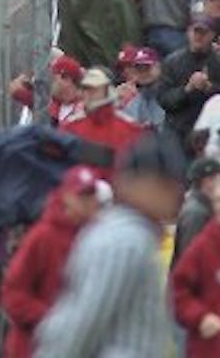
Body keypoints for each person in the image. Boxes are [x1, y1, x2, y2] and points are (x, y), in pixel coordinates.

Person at [33, 130, 187, 358]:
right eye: (165, 183)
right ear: (132, 182)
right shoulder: (124, 240)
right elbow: (82, 324)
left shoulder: (131, 233)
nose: (176, 193)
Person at [1, 166, 102, 358]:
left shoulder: (98, 239)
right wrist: (55, 320)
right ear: (66, 196)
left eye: (91, 195)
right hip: (34, 348)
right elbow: (13, 294)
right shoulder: (43, 235)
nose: (88, 202)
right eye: (82, 195)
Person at [172, 170, 220, 355]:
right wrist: (200, 317)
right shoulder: (203, 246)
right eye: (218, 200)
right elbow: (178, 291)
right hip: (211, 349)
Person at [157, 13, 220, 154]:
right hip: (178, 130)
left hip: (211, 131)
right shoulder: (172, 62)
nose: (199, 36)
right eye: (196, 31)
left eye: (204, 32)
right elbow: (164, 100)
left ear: (212, 35)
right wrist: (187, 89)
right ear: (188, 32)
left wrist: (209, 88)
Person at [173, 155, 220, 260]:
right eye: (217, 178)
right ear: (206, 182)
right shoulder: (196, 213)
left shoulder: (207, 207)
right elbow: (191, 256)